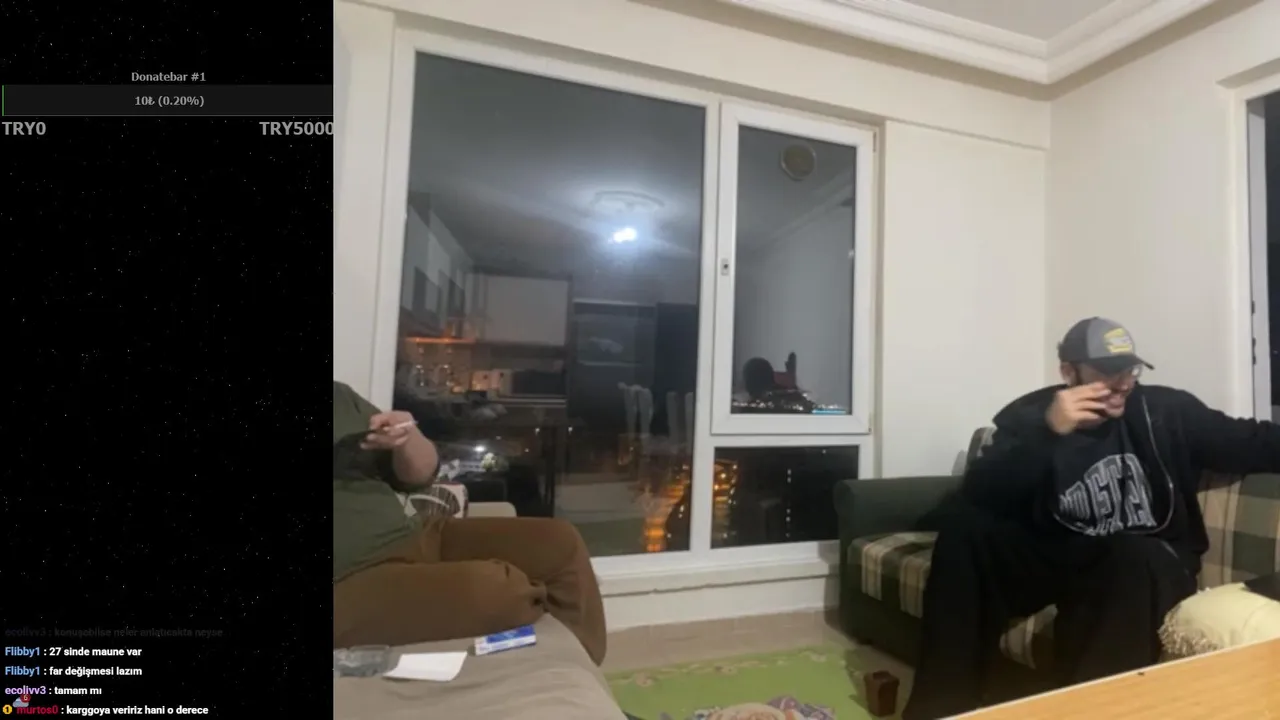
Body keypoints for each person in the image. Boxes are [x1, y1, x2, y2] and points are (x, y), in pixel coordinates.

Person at [902, 318, 1280, 719]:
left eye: (1130, 370)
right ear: (1069, 372)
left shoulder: (1167, 411)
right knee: (965, 533)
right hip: (1061, 552)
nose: (1122, 383)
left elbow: (1252, 440)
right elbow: (982, 492)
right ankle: (940, 709)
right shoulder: (1033, 416)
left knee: (1132, 556)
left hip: (1138, 562)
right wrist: (1048, 432)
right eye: (1107, 372)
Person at [331, 381, 606, 664]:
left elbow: (420, 476)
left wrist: (406, 438)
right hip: (348, 577)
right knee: (496, 590)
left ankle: (585, 676)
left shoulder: (340, 397)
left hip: (412, 535)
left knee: (557, 543)